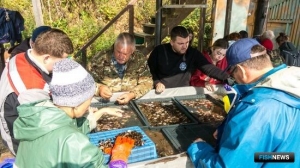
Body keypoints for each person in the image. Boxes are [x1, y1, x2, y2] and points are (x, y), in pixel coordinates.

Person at [187, 38, 300, 167]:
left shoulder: (256, 108)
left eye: (232, 74)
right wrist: (227, 129)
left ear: (241, 70)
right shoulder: (292, 86)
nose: (234, 79)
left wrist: (199, 149)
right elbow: (283, 155)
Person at [13, 58, 134, 168]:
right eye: (89, 99)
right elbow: (72, 139)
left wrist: (102, 111)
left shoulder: (36, 121)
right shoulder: (74, 141)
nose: (89, 105)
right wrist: (118, 159)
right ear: (77, 103)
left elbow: (68, 129)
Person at [0, 28, 74, 155]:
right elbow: (47, 125)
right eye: (62, 60)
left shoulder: (22, 56)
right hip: (21, 139)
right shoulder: (31, 90)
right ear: (46, 58)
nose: (63, 65)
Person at [147, 26, 229, 93]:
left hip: (184, 92)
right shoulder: (159, 51)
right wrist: (157, 82)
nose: (185, 46)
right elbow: (149, 71)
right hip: (162, 92)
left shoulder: (192, 53)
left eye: (187, 42)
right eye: (180, 43)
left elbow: (209, 68)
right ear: (172, 42)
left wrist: (228, 78)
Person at [89, 32, 153, 104]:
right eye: (118, 52)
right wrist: (99, 89)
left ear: (132, 51)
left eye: (125, 54)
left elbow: (147, 82)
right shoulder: (100, 58)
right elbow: (87, 83)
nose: (121, 56)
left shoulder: (139, 59)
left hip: (132, 103)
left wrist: (132, 94)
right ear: (114, 47)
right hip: (105, 104)